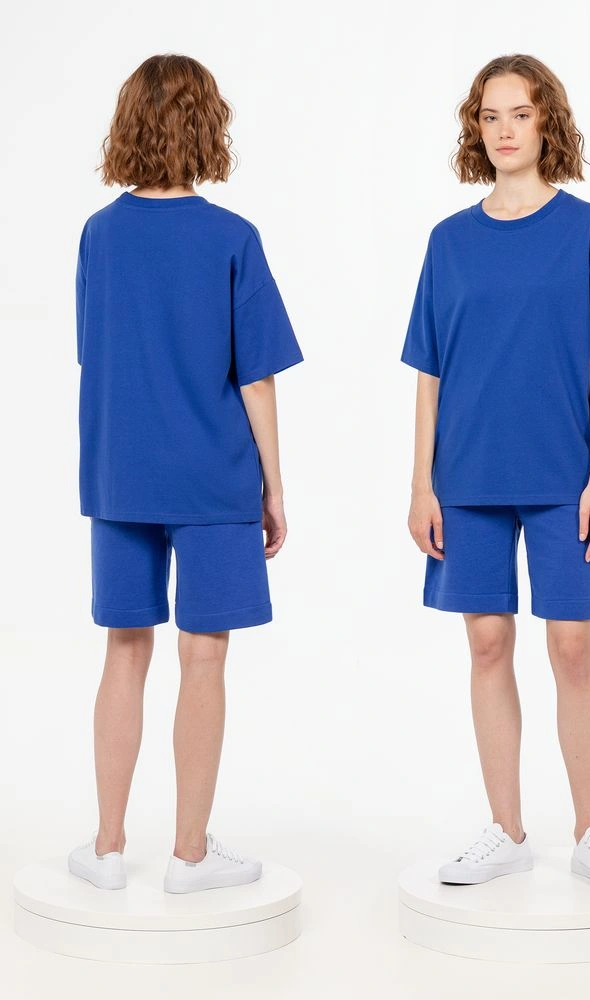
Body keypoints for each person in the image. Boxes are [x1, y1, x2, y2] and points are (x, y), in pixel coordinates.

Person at [402, 55, 590, 892]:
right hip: (466, 475)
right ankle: (506, 829)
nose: (504, 131)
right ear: (476, 128)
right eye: (490, 116)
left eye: (521, 114)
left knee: (572, 646)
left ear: (548, 124)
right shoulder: (448, 242)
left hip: (562, 475)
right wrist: (421, 483)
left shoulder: (589, 231)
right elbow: (429, 372)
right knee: (487, 641)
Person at [69, 54, 303, 894]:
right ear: (208, 127)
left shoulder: (99, 234)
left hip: (120, 476)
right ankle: (190, 856)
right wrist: (274, 486)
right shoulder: (231, 238)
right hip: (213, 479)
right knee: (203, 658)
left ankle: (106, 849)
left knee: (123, 650)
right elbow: (256, 378)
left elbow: (92, 351)